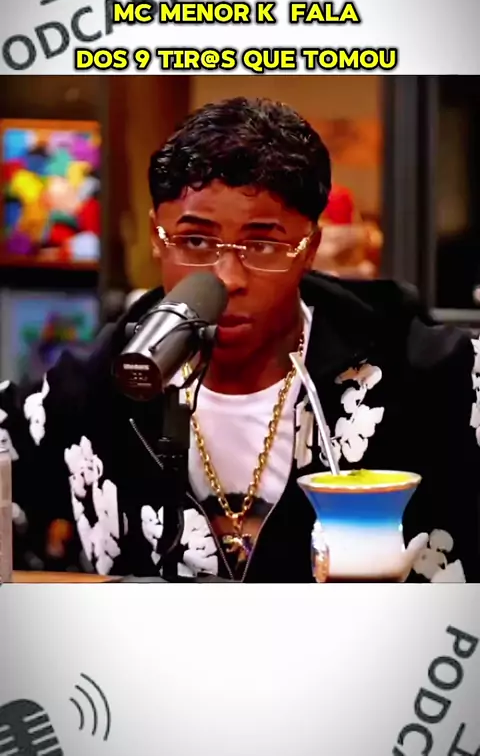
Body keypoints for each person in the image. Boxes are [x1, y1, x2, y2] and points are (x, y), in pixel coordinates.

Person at [1, 96, 479, 582]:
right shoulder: (94, 383)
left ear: (309, 248)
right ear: (156, 236)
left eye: (263, 244)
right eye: (195, 241)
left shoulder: (427, 377)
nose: (227, 278)